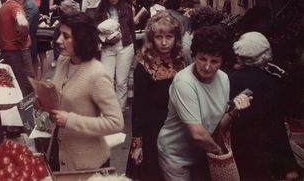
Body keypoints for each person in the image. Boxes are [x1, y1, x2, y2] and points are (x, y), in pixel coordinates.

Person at [157, 25, 252, 181]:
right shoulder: (184, 82)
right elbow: (197, 134)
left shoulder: (223, 79)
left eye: (214, 61)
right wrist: (220, 154)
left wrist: (234, 111)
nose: (207, 67)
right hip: (176, 156)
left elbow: (218, 126)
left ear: (222, 61)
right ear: (194, 56)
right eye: (202, 59)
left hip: (203, 154)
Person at [49, 12, 124, 172]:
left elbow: (116, 123)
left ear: (81, 39)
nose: (58, 41)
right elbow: (61, 95)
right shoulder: (64, 61)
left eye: (66, 36)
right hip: (60, 154)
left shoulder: (97, 74)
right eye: (59, 35)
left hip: (87, 164)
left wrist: (70, 120)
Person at [230, 32, 301, 181]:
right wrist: (289, 165)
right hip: (263, 150)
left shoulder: (231, 79)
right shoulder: (269, 82)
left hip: (238, 146)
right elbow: (275, 126)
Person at [126, 12, 185, 181]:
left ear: (176, 38)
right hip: (152, 132)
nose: (165, 42)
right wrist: (138, 144)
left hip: (177, 128)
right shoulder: (144, 67)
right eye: (159, 37)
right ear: (151, 39)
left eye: (169, 36)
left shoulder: (181, 62)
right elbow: (138, 108)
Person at [95, 0, 136, 111]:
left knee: (121, 82)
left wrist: (134, 48)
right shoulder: (100, 9)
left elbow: (131, 29)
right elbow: (95, 31)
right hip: (108, 48)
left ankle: (120, 110)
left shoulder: (127, 8)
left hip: (125, 46)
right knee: (106, 79)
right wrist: (105, 41)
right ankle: (107, 109)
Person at [0, 0, 34, 96]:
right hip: (17, 53)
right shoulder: (15, 7)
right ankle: (27, 113)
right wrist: (23, 38)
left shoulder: (5, 4)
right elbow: (23, 23)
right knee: (26, 87)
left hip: (8, 52)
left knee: (16, 84)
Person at [29, 0, 50, 80]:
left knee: (42, 54)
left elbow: (47, 14)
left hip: (41, 29)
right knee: (33, 54)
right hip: (30, 29)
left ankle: (43, 78)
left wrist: (43, 16)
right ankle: (35, 78)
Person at [49, 0, 71, 68]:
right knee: (55, 38)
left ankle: (66, 57)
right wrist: (54, 7)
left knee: (66, 38)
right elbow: (50, 7)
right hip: (56, 18)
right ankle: (55, 57)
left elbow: (71, 6)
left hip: (66, 18)